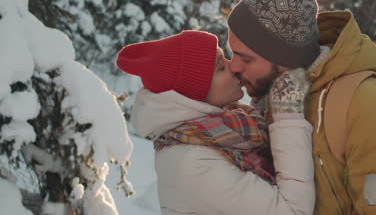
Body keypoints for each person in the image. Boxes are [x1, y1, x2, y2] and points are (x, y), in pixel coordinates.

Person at [227, 0, 376, 215]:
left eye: (245, 58)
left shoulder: (366, 104)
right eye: (232, 53)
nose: (232, 67)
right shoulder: (277, 98)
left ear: (285, 61)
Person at [115, 30, 316, 215]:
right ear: (193, 94)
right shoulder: (192, 163)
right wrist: (287, 117)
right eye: (221, 67)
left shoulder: (227, 128)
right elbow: (292, 210)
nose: (234, 67)